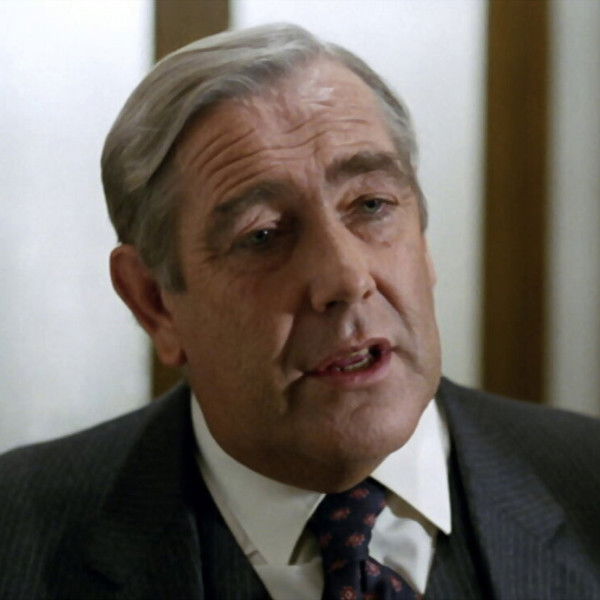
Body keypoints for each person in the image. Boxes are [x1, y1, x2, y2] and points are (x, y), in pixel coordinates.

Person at [0, 23, 598, 600]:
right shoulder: (16, 538)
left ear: (422, 235)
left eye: (371, 205)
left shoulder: (586, 480)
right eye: (262, 235)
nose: (347, 279)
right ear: (155, 303)